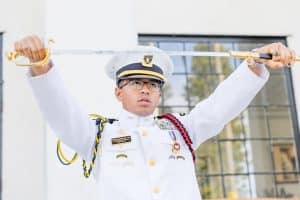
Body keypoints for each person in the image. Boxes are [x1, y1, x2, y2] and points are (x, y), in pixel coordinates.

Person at [14, 35, 296, 200]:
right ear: (118, 92)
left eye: (153, 84)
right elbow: (61, 112)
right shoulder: (97, 136)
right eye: (136, 83)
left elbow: (221, 105)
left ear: (160, 94)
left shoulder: (182, 131)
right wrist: (42, 66)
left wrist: (255, 64)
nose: (146, 89)